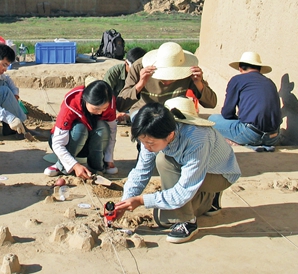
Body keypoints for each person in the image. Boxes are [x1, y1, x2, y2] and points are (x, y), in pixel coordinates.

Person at [115, 98, 241, 244]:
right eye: (143, 142)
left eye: (150, 143)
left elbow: (182, 193)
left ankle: (189, 221)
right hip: (192, 170)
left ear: (169, 135)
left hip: (219, 175)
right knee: (163, 218)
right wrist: (124, 202)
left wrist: (141, 200)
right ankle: (207, 199)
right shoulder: (150, 132)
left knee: (163, 161)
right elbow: (141, 171)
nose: (146, 147)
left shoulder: (197, 140)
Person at [117, 42, 217, 117]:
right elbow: (121, 105)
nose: (167, 81)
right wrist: (140, 84)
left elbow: (211, 103)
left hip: (174, 113)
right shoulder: (139, 67)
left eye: (173, 76)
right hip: (144, 112)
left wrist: (199, 84)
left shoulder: (189, 71)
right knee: (151, 134)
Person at [208, 52, 282, 152]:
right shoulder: (269, 82)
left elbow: (227, 113)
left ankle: (241, 142)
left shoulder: (237, 80)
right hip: (274, 137)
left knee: (212, 119)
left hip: (250, 134)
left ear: (240, 68)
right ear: (259, 69)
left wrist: (236, 119)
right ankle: (258, 144)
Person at [44, 80, 118, 177]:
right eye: (96, 109)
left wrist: (109, 158)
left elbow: (112, 132)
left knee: (102, 127)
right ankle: (61, 165)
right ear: (86, 100)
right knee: (80, 128)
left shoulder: (109, 103)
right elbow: (57, 143)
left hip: (88, 147)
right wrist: (75, 165)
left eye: (104, 108)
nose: (100, 112)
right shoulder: (72, 102)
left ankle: (97, 167)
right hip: (68, 142)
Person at [103, 47, 146, 122]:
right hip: (116, 108)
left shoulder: (146, 75)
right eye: (134, 68)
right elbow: (105, 97)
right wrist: (116, 113)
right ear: (126, 63)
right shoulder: (114, 73)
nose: (137, 71)